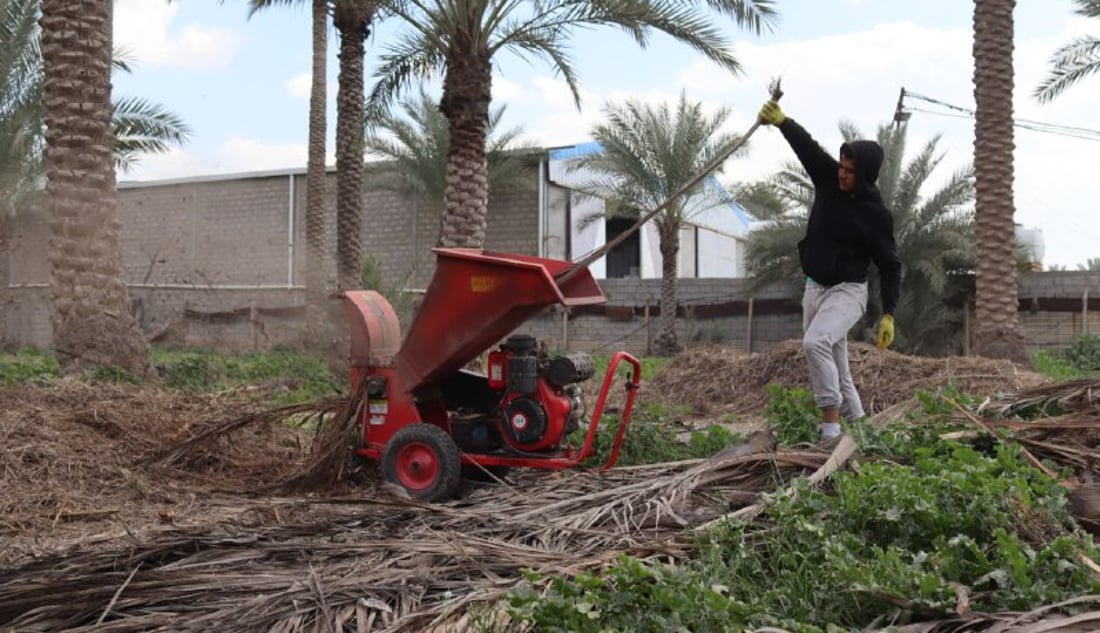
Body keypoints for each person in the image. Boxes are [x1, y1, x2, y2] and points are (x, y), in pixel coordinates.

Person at [757, 99, 902, 441]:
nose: (841, 173)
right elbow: (808, 148)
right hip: (814, 287)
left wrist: (889, 314)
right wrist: (783, 122)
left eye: (850, 171)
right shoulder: (828, 181)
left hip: (848, 291)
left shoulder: (876, 215)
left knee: (815, 343)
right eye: (841, 166)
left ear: (864, 175)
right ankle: (865, 435)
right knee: (840, 370)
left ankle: (831, 432)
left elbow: (890, 265)